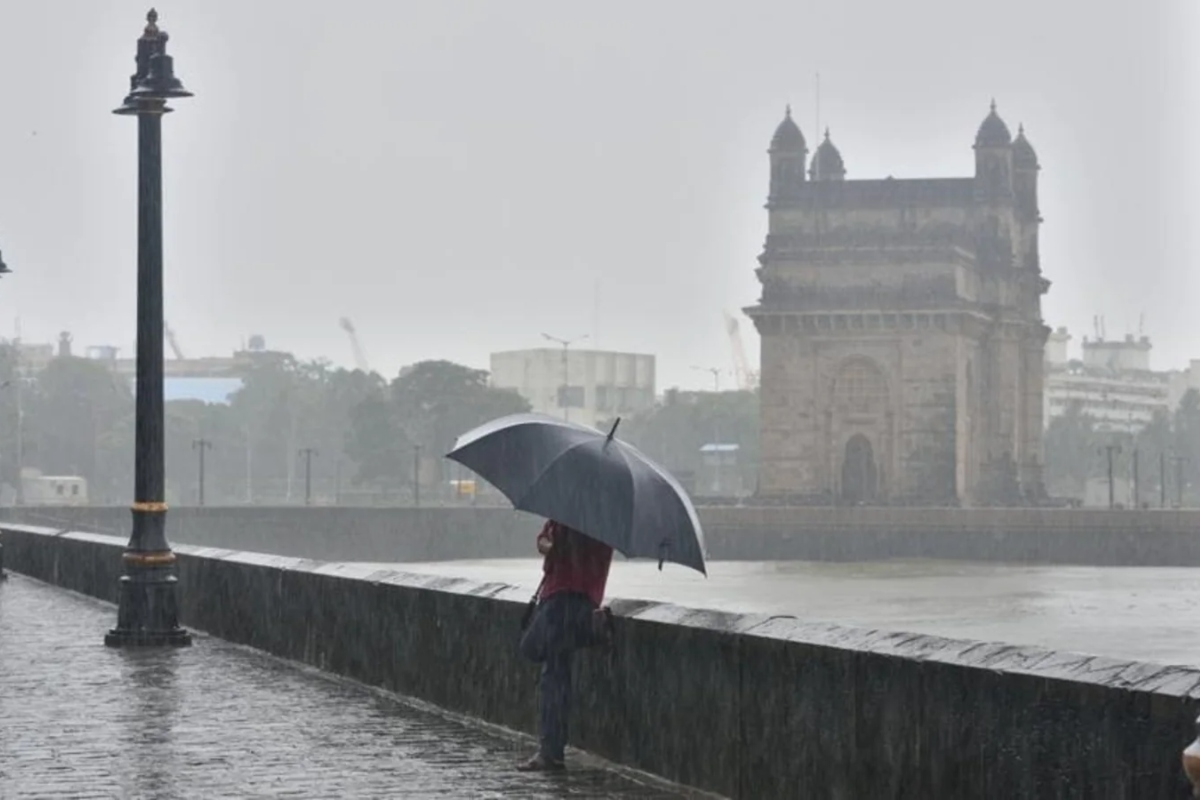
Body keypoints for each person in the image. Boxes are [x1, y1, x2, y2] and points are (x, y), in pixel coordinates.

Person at [516, 518, 614, 772]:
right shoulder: (576, 514)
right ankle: (551, 751)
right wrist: (548, 543)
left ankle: (551, 752)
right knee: (553, 669)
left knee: (552, 674)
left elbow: (564, 548)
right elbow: (544, 539)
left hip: (566, 599)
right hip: (570, 599)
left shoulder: (585, 519)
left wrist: (558, 545)